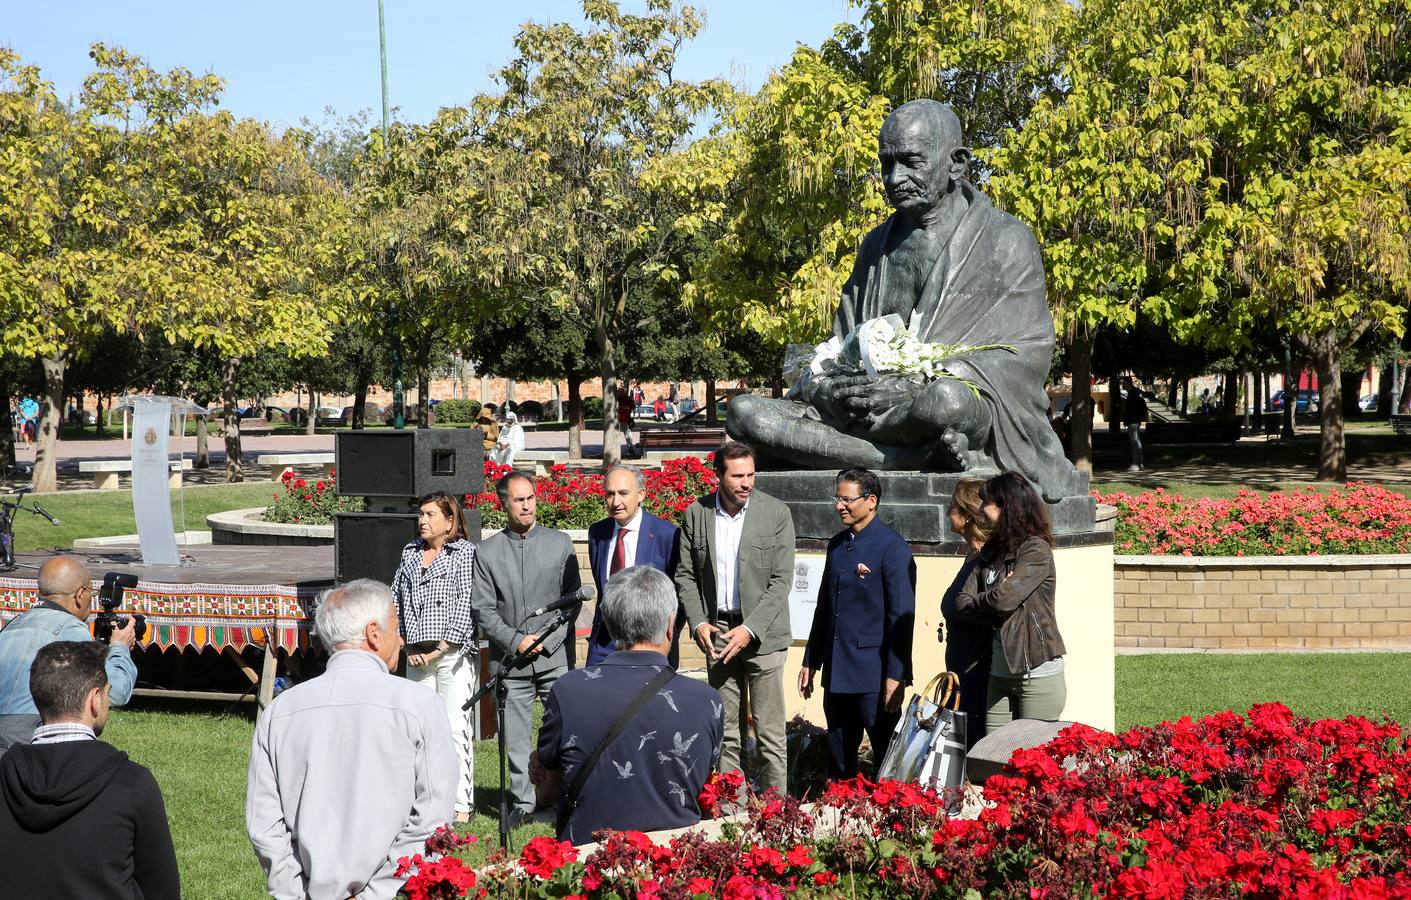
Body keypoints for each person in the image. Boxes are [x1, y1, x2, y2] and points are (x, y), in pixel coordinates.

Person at [726, 99, 1082, 503]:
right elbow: (841, 344)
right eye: (886, 163)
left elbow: (1028, 353)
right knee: (745, 413)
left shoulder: (1005, 240)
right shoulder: (875, 246)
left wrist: (914, 384)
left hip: (934, 408)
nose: (895, 178)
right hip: (864, 412)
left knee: (946, 403)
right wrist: (829, 388)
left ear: (956, 164)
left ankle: (866, 451)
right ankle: (899, 459)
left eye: (911, 162)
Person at [247, 579, 456, 900]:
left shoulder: (281, 710)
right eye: (396, 628)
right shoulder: (420, 704)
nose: (402, 640)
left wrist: (295, 891)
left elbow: (264, 823)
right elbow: (434, 817)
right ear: (374, 633)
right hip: (396, 892)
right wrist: (379, 892)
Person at [531, 566, 723, 844]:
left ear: (608, 623)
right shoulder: (707, 700)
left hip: (587, 860)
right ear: (671, 624)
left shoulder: (567, 691)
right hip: (674, 860)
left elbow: (547, 793)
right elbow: (705, 792)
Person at [0, 641, 179, 899]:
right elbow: (162, 890)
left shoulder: (5, 775)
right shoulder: (133, 785)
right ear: (95, 699)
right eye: (107, 693)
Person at [676, 441, 794, 794]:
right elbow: (686, 575)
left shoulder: (775, 513)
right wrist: (698, 622)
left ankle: (775, 812)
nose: (746, 483)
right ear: (718, 475)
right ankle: (732, 809)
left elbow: (781, 581)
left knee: (770, 733)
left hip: (763, 635)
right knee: (726, 731)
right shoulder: (697, 514)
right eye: (738, 476)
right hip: (718, 632)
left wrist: (750, 629)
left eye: (751, 475)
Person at [471, 471, 582, 820]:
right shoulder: (487, 552)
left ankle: (567, 795)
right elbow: (483, 610)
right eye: (519, 500)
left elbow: (572, 601)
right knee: (515, 737)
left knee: (566, 729)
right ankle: (523, 804)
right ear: (503, 503)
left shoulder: (560, 543)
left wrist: (545, 641)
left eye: (530, 498)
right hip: (509, 661)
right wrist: (518, 641)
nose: (526, 506)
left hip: (554, 657)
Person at [799, 468, 916, 779]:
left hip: (874, 676)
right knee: (839, 762)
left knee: (888, 762)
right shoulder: (837, 544)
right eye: (837, 498)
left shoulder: (893, 547)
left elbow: (901, 617)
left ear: (871, 501)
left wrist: (896, 675)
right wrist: (811, 661)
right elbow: (825, 607)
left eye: (847, 500)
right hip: (837, 672)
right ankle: (842, 807)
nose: (840, 506)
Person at [953, 472, 1067, 731]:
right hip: (999, 672)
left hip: (1037, 672)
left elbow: (1001, 601)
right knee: (993, 751)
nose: (980, 509)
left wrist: (992, 599)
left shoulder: (1035, 550)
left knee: (1032, 752)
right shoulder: (991, 550)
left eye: (986, 503)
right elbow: (961, 603)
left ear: (1006, 506)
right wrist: (997, 596)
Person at [392, 491, 479, 823]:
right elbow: (396, 598)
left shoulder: (464, 553)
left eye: (430, 514)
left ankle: (461, 804)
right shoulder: (410, 552)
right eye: (421, 514)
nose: (423, 520)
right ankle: (425, 800)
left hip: (452, 654)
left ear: (450, 520)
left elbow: (467, 603)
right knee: (419, 731)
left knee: (455, 727)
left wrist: (439, 649)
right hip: (416, 655)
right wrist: (405, 645)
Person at [0, 556, 137, 749]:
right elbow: (118, 690)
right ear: (80, 595)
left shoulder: (12, 626)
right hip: (32, 740)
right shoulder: (69, 629)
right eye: (91, 592)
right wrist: (120, 646)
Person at [585, 465, 681, 667]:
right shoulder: (597, 533)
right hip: (603, 644)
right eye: (610, 494)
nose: (615, 502)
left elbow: (677, 594)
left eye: (623, 493)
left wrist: (667, 638)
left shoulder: (667, 535)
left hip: (649, 643)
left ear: (641, 495)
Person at [937, 478, 994, 749]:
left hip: (977, 678)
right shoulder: (971, 556)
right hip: (959, 671)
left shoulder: (987, 560)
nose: (948, 511)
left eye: (952, 506)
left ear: (968, 515)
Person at [1121, 377, 1148, 472]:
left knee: (1135, 442)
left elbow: (1130, 409)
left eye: (1123, 383)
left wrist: (1127, 419)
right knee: (1137, 441)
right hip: (1134, 420)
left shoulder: (1132, 394)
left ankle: (1136, 464)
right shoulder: (1133, 393)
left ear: (1128, 383)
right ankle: (1139, 463)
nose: (1122, 385)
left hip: (1133, 421)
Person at [615, 384, 637, 458]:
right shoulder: (617, 398)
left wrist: (626, 408)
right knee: (626, 433)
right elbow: (633, 407)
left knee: (627, 433)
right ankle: (629, 448)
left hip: (624, 418)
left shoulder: (626, 399)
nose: (620, 393)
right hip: (619, 419)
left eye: (621, 392)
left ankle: (630, 448)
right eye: (619, 392)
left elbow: (633, 407)